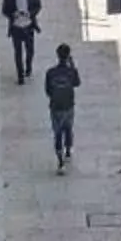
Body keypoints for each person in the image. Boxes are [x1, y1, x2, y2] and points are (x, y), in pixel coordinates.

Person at [44, 43, 82, 173]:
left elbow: (48, 91)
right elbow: (77, 83)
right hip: (69, 105)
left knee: (57, 132)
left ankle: (60, 162)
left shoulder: (51, 72)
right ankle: (68, 150)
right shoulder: (71, 72)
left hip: (55, 107)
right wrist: (72, 65)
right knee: (68, 128)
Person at [0, 0, 44, 82]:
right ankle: (20, 75)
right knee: (18, 52)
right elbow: (5, 10)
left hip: (28, 26)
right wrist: (13, 14)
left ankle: (28, 68)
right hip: (16, 28)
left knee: (30, 51)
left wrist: (30, 13)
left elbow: (38, 6)